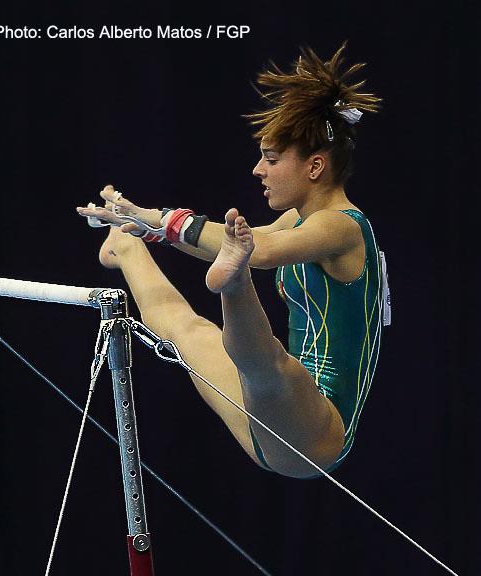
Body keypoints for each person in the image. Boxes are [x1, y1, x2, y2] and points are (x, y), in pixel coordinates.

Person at [77, 43, 387, 479]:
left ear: (315, 167)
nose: (258, 170)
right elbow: (230, 243)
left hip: (316, 428)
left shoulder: (342, 227)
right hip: (268, 423)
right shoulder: (296, 220)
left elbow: (257, 252)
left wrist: (174, 225)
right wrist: (143, 223)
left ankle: (233, 286)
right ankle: (126, 250)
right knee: (182, 330)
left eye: (272, 159)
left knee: (267, 361)